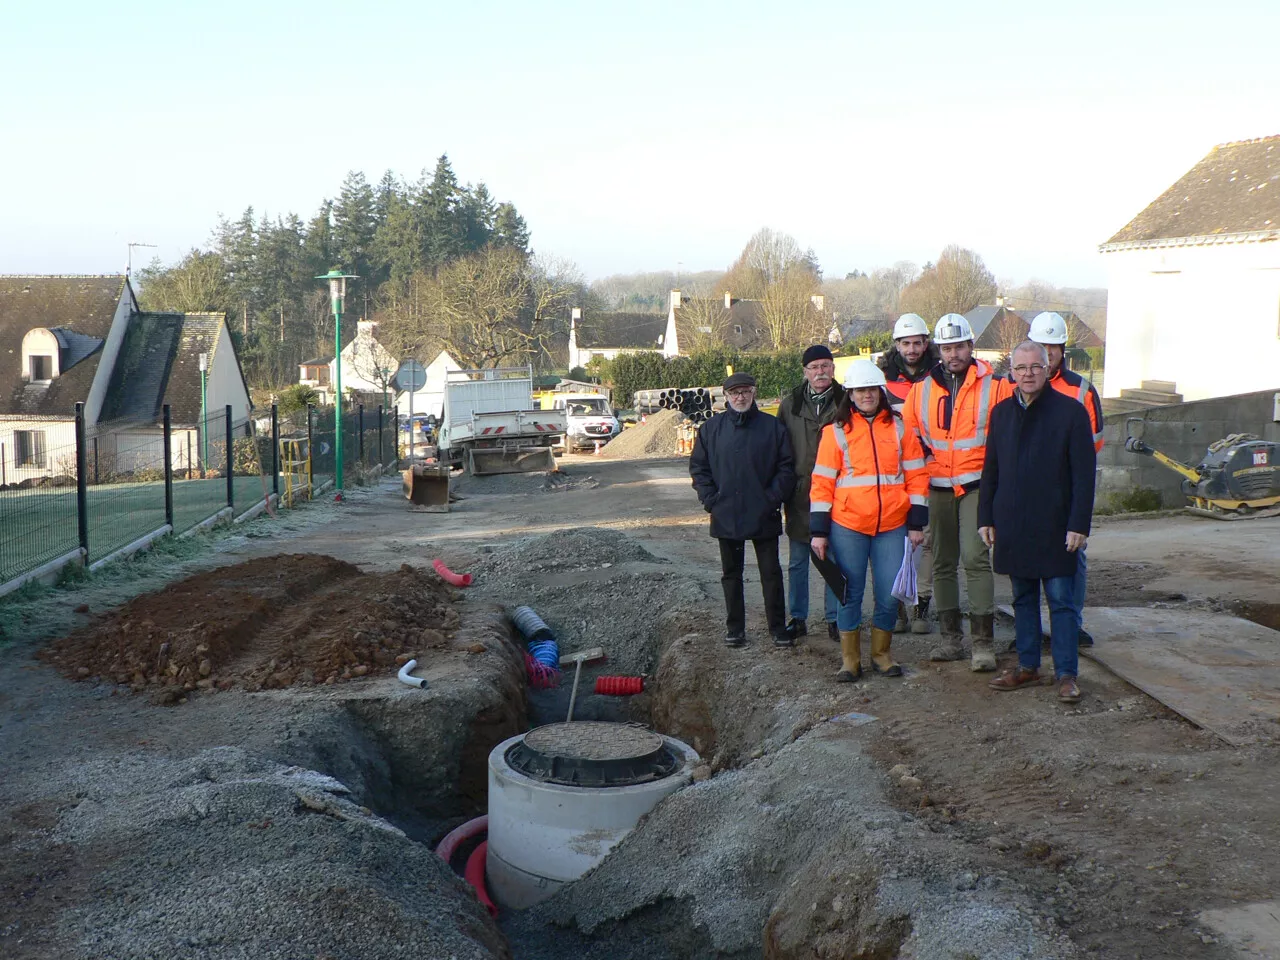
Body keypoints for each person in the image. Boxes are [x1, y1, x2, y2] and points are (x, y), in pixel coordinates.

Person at [980, 341, 1096, 703]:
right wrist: (986, 516)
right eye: (1020, 368)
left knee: (1061, 601)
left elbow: (1084, 476)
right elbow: (991, 470)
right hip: (1014, 523)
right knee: (1022, 599)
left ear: (1048, 369)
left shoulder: (1071, 413)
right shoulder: (1000, 414)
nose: (1027, 374)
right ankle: (1028, 667)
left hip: (1057, 524)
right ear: (1011, 372)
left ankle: (1066, 674)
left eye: (1035, 367)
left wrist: (1079, 524)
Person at [902, 314, 1014, 671]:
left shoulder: (996, 387)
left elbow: (1012, 431)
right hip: (936, 486)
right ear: (940, 350)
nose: (953, 354)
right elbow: (909, 439)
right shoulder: (921, 391)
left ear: (970, 347)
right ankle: (951, 639)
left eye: (959, 347)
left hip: (976, 486)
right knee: (942, 561)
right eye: (947, 348)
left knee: (975, 557)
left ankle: (983, 644)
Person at [810, 360, 929, 681]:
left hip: (892, 526)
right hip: (847, 527)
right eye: (860, 390)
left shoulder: (901, 428)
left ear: (880, 391)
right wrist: (819, 532)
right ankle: (850, 661)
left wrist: (916, 524)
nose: (866, 395)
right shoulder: (835, 432)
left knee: (890, 594)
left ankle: (881, 655)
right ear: (850, 394)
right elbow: (821, 483)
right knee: (849, 593)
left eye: (871, 390)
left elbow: (917, 475)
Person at [690, 371, 796, 648]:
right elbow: (699, 469)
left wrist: (772, 498)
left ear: (754, 393)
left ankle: (777, 628)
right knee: (731, 574)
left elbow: (786, 468)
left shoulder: (773, 428)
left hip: (763, 512)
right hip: (726, 513)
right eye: (735, 392)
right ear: (725, 396)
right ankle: (735, 628)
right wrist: (710, 499)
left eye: (745, 391)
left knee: (771, 573)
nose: (740, 396)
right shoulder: (710, 430)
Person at [1027, 311, 1105, 648]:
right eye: (1040, 346)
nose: (1047, 352)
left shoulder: (1081, 390)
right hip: (1027, 484)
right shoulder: (1016, 386)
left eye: (1052, 346)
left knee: (1074, 553)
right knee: (1027, 555)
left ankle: (1070, 624)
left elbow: (1094, 441)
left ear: (1061, 348)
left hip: (1068, 486)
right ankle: (1031, 631)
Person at [879, 313, 939, 636]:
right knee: (894, 541)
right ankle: (898, 606)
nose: (912, 349)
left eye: (918, 342)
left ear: (926, 343)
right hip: (892, 472)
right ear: (897, 345)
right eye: (906, 343)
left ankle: (922, 606)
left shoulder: (938, 376)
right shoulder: (882, 380)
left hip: (928, 470)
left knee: (926, 541)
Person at [777, 344, 842, 643]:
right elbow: (778, 450)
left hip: (840, 493)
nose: (820, 372)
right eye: (814, 367)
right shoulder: (790, 405)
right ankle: (798, 617)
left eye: (825, 366)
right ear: (805, 372)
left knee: (834, 559)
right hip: (800, 494)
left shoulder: (845, 401)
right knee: (798, 561)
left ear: (833, 369)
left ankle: (835, 619)